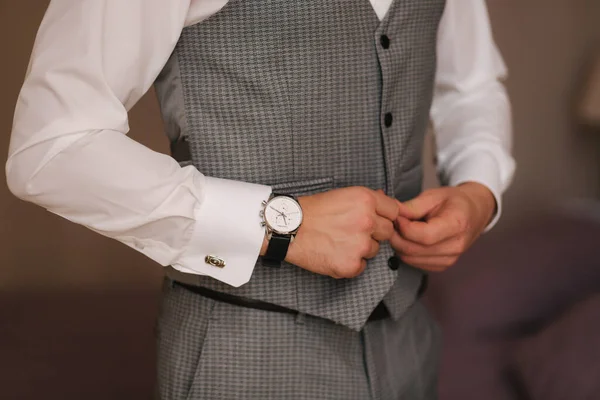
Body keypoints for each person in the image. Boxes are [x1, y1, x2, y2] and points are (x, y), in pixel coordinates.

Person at [6, 0, 515, 398]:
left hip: (410, 344)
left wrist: (478, 190)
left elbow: (471, 87)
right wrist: (277, 226)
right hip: (243, 355)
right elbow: (51, 148)